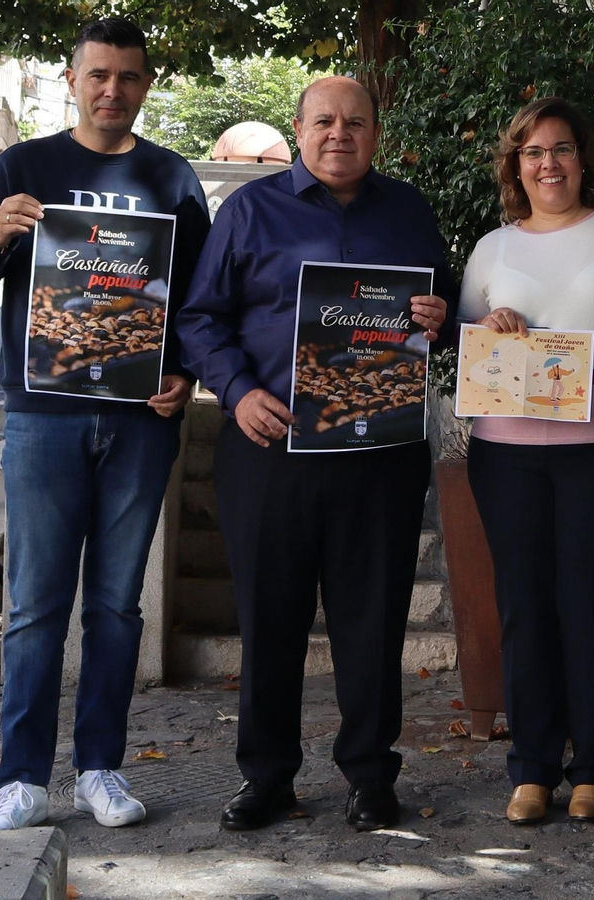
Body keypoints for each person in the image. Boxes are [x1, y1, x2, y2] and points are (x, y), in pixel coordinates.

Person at [0, 18, 211, 831]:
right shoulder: (26, 164)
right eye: (98, 74)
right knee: (33, 605)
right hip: (44, 417)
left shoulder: (171, 178)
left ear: (145, 85)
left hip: (139, 422)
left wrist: (183, 374)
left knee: (117, 606)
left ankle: (101, 768)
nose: (112, 90)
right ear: (72, 78)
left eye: (128, 77)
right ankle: (21, 777)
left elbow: (199, 302)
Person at [177, 75, 456, 834]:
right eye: (325, 121)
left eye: (356, 122)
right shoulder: (248, 211)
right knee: (270, 618)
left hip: (379, 451)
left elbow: (443, 311)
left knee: (373, 617)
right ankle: (267, 777)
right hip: (270, 446)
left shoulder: (408, 209)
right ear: (300, 129)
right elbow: (199, 319)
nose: (340, 134)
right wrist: (235, 392)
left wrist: (441, 314)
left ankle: (370, 773)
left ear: (376, 132)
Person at [457, 97, 594, 826]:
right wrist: (491, 323)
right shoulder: (491, 248)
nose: (548, 164)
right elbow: (466, 337)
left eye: (561, 149)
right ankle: (533, 767)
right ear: (516, 165)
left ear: (582, 159)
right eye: (533, 153)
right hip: (506, 453)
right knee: (525, 606)